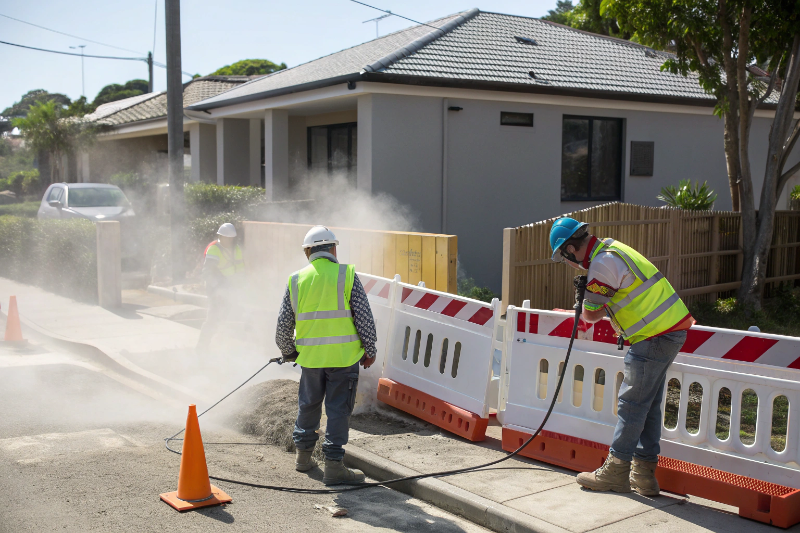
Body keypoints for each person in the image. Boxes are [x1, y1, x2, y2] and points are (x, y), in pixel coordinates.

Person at [549, 217, 693, 496]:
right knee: (648, 405)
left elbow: (590, 314)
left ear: (569, 249)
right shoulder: (612, 250)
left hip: (654, 336)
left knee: (632, 404)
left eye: (564, 257)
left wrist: (584, 298)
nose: (568, 263)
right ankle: (644, 475)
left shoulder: (602, 265)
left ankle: (616, 471)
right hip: (667, 331)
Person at [275, 225, 378, 485]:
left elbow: (283, 326)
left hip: (310, 361)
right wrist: (370, 350)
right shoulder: (346, 274)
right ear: (333, 249)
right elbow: (364, 318)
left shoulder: (296, 279)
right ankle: (334, 466)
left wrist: (288, 352)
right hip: (343, 359)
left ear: (308, 251)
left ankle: (303, 458)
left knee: (308, 405)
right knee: (337, 411)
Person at [197, 223, 244, 351]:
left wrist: (241, 285)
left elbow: (240, 269)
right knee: (213, 318)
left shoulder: (237, 249)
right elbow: (208, 273)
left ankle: (221, 345)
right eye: (226, 237)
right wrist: (216, 290)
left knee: (226, 317)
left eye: (231, 238)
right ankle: (201, 348)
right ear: (220, 236)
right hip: (216, 288)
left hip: (230, 287)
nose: (229, 240)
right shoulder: (214, 249)